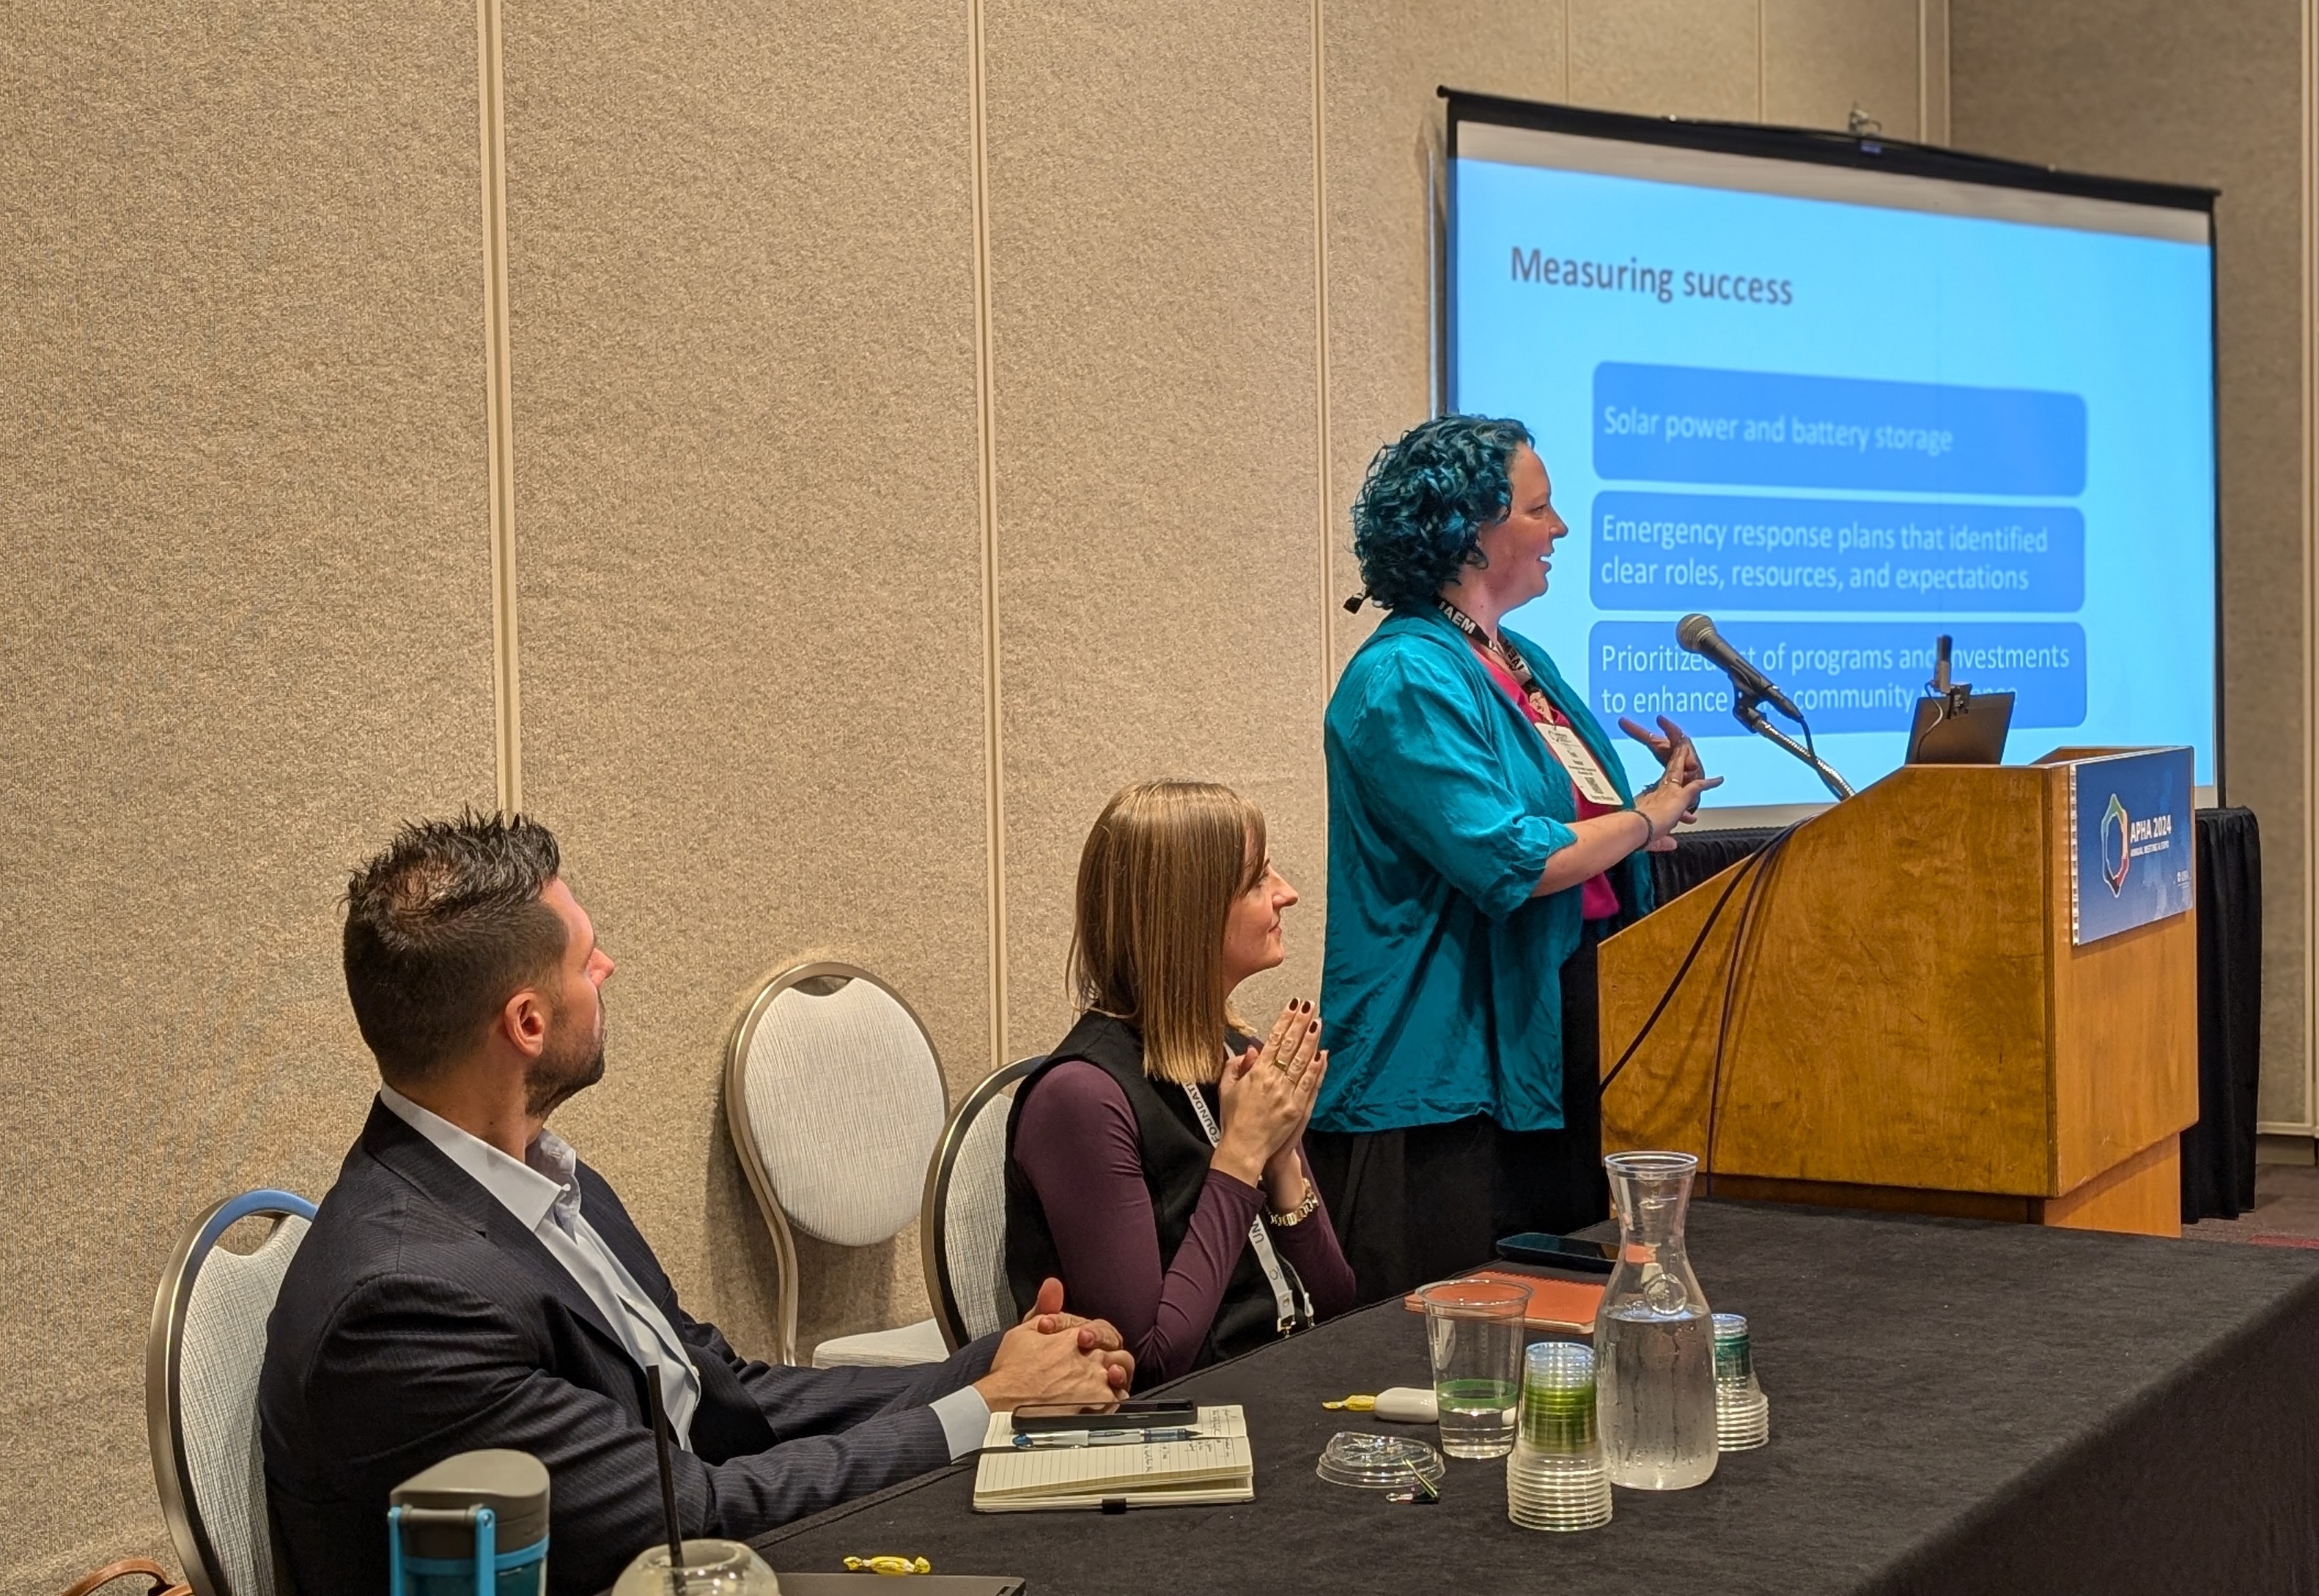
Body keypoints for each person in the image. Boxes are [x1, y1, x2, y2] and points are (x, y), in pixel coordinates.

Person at [259, 813, 1135, 1596]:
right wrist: (986, 1410)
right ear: (527, 1024)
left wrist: (992, 1369)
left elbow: (722, 1397)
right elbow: (690, 1521)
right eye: (583, 958)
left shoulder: (544, 1182)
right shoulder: (406, 1307)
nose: (607, 967)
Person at [1307, 415, 1721, 1299]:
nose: (1560, 529)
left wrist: (1654, 802)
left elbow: (1575, 823)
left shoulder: (1514, 658)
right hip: (1443, 1073)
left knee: (1559, 1317)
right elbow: (1511, 859)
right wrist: (1641, 822)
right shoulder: (1404, 678)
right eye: (1539, 509)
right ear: (1469, 531)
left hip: (1550, 1030)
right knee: (1462, 1340)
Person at [1003, 780, 1358, 1383]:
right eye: (1257, 880)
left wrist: (1281, 1167)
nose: (1287, 894)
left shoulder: (1239, 1057)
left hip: (1283, 1379)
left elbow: (1335, 1306)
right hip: (1178, 1424)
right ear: (1187, 916)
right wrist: (1241, 1156)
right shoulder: (1081, 1099)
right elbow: (1153, 1361)